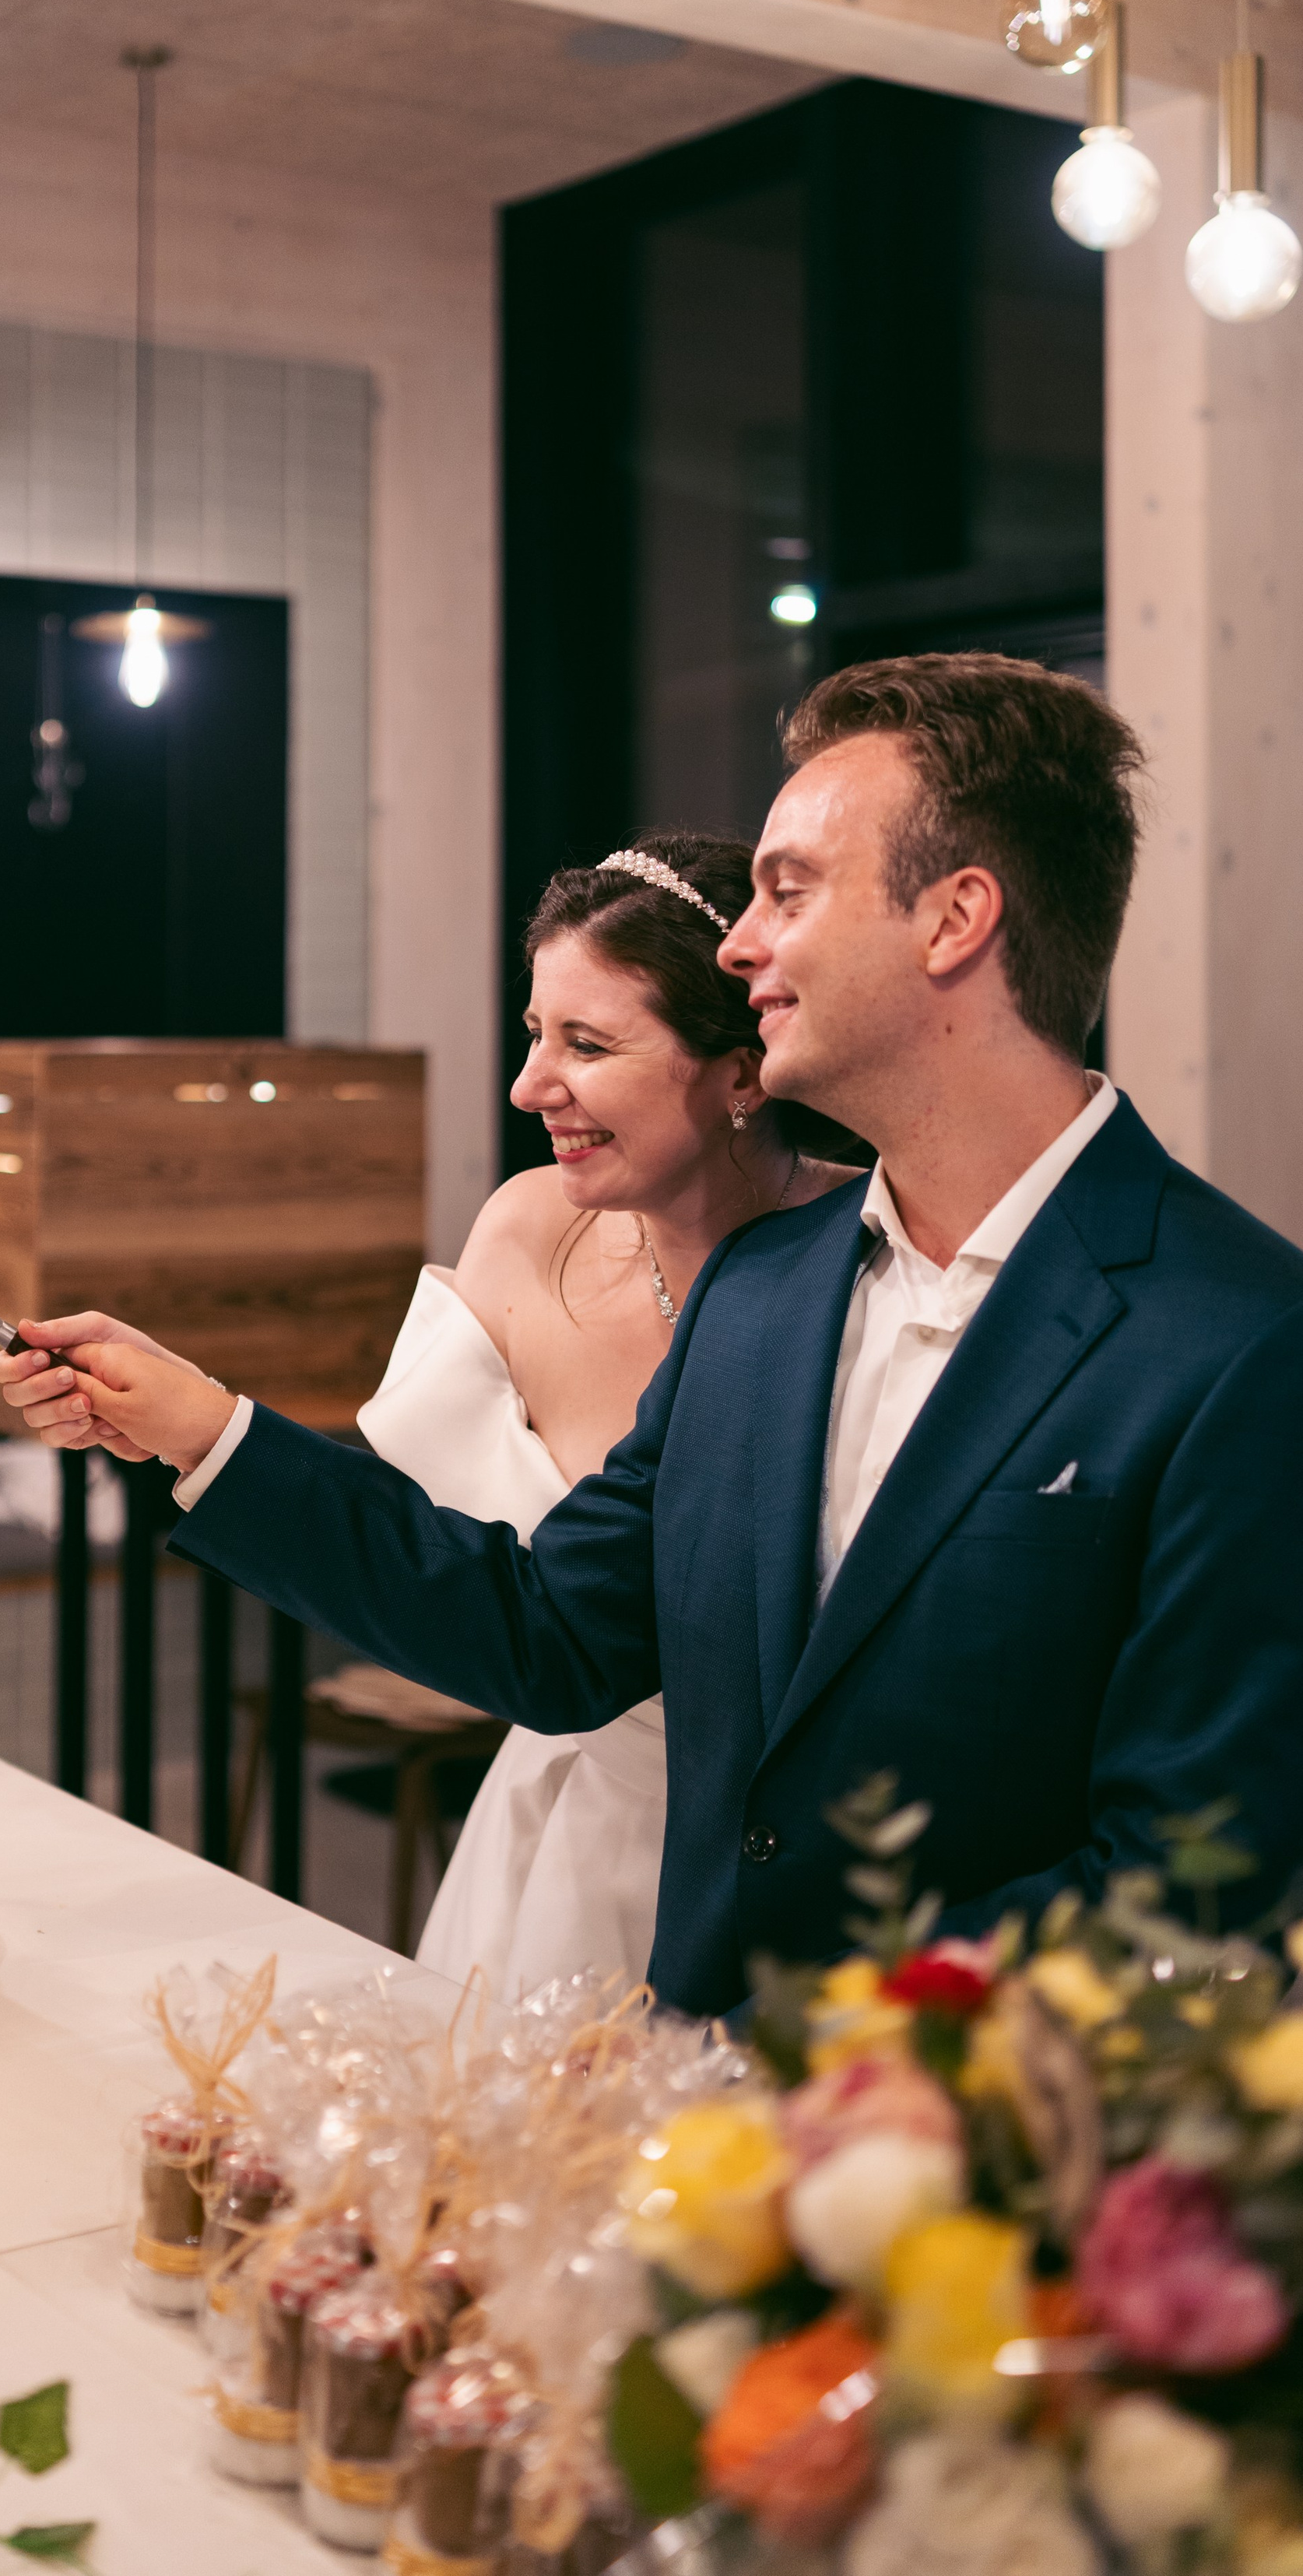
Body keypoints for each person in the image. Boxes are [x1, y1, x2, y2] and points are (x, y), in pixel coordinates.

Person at [0, 655, 1303, 2018]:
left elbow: (1193, 1885)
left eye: (789, 891)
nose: (742, 946)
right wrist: (207, 1430)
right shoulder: (766, 1290)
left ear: (955, 919)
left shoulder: (1240, 1342)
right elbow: (549, 1635)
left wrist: (793, 2068)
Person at [361, 836, 854, 1996]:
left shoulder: (865, 1264)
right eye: (536, 1034)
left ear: (742, 1071)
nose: (532, 1086)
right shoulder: (528, 1231)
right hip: (550, 1836)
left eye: (586, 1044)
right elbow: (440, 1568)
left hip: (771, 1879)